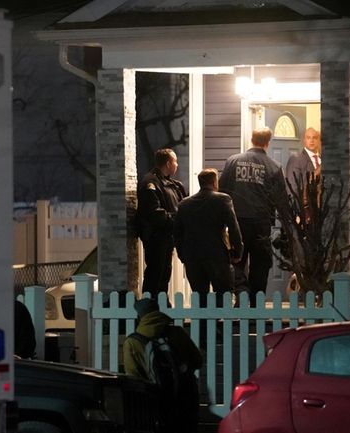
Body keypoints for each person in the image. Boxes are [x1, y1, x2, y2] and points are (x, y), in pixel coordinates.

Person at [219, 127, 289, 305]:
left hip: (237, 221)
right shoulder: (274, 166)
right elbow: (281, 200)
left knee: (235, 260)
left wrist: (222, 221)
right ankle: (255, 303)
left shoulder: (233, 161)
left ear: (251, 139)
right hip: (261, 223)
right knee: (261, 264)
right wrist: (286, 228)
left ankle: (241, 294)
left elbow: (222, 191)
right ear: (268, 142)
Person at [123, 298, 202, 433]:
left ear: (139, 316)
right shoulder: (177, 332)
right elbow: (197, 360)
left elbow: (133, 376)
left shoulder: (132, 342)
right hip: (185, 397)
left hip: (155, 402)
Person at [174, 168, 243, 307]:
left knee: (199, 296)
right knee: (223, 292)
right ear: (214, 182)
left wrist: (182, 255)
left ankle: (203, 326)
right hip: (217, 254)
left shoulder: (184, 204)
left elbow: (177, 233)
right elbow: (234, 227)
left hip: (193, 256)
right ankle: (219, 324)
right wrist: (238, 250)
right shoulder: (223, 199)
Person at [136, 148, 187, 298]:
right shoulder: (150, 183)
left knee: (165, 272)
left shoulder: (173, 184)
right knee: (155, 272)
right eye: (175, 161)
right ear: (167, 163)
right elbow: (154, 212)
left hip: (168, 236)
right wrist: (176, 220)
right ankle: (150, 309)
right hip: (156, 237)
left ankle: (161, 306)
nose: (177, 164)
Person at [285, 127, 322, 206]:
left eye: (314, 138)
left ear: (319, 140)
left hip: (324, 210)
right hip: (304, 209)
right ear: (304, 140)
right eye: (308, 138)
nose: (311, 141)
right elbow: (292, 188)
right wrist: (296, 213)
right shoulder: (296, 159)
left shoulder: (323, 160)